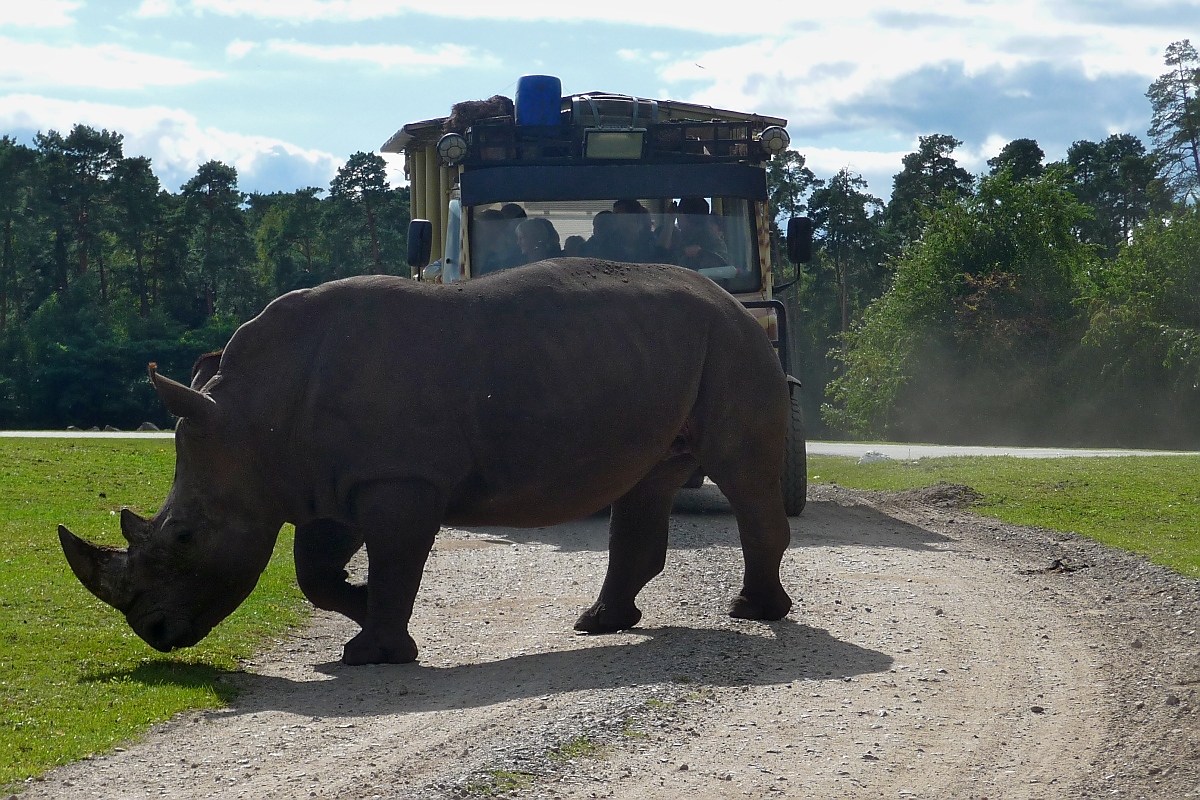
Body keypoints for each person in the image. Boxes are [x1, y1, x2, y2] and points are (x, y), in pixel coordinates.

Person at [669, 196, 731, 271]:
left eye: (678, 213)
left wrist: (699, 253)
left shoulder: (711, 240)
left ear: (683, 215)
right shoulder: (677, 238)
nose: (677, 218)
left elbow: (724, 267)